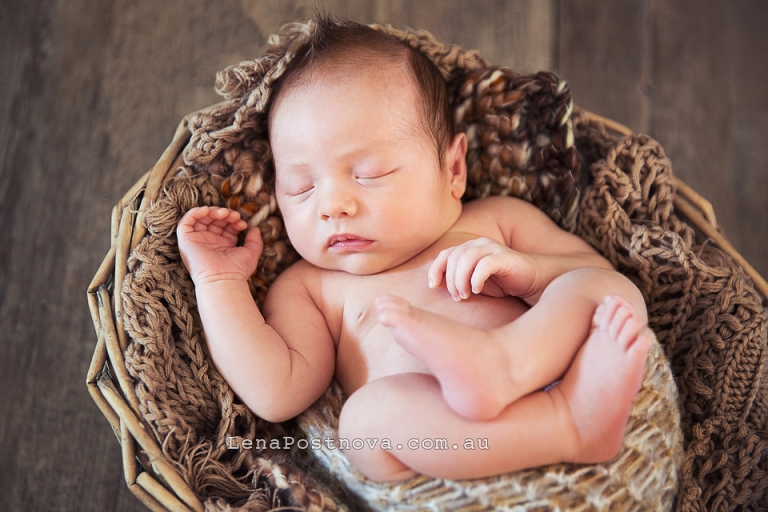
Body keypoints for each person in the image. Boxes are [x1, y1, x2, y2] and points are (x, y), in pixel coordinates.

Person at [177, 16, 653, 482]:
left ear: (453, 170)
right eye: (300, 188)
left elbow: (595, 277)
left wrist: (530, 273)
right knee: (364, 424)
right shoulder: (311, 288)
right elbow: (276, 391)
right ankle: (564, 427)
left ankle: (508, 362)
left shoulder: (496, 220)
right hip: (452, 446)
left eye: (370, 174)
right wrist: (219, 282)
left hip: (575, 378)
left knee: (601, 287)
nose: (333, 206)